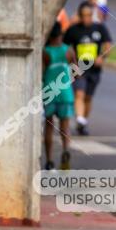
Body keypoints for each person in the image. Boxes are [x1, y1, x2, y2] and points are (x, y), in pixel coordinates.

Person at [64, 1, 112, 136]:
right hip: (79, 68)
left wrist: (102, 57)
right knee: (79, 94)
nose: (86, 18)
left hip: (94, 70)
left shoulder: (100, 28)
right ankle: (79, 118)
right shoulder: (73, 30)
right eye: (84, 15)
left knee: (88, 98)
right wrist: (72, 64)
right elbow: (66, 48)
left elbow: (108, 45)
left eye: (89, 15)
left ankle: (82, 122)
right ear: (80, 15)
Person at [42, 22, 76, 170]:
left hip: (50, 93)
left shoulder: (45, 52)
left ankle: (49, 160)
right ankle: (66, 149)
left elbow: (41, 73)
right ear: (60, 35)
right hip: (65, 93)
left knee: (49, 126)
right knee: (65, 126)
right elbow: (76, 71)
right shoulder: (68, 51)